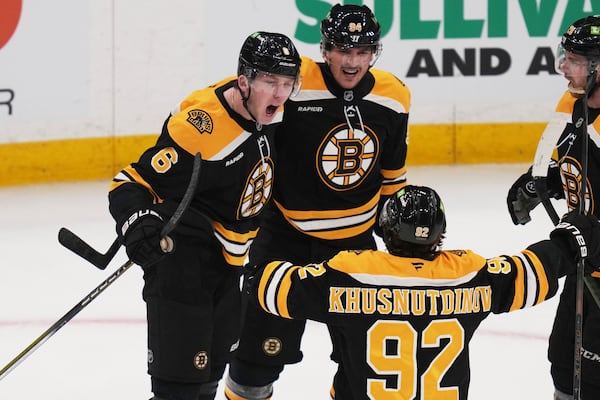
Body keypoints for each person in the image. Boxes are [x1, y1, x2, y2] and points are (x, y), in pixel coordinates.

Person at [245, 185, 600, 400]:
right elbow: (532, 271)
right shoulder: (469, 275)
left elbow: (268, 286)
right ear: (440, 235)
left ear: (385, 229)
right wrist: (575, 237)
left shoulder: (349, 274)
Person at [225, 4, 411, 399]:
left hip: (355, 250)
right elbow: (239, 108)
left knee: (364, 368)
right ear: (325, 48)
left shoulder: (394, 96)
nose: (352, 61)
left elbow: (392, 175)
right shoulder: (292, 82)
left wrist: (399, 247)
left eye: (363, 52)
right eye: (344, 49)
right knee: (250, 369)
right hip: (283, 243)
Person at [107, 32, 301, 400]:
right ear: (244, 81)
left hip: (229, 264)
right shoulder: (200, 128)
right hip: (183, 263)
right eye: (270, 82)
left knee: (208, 381)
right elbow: (128, 183)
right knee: (178, 391)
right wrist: (138, 225)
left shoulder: (272, 108)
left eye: (288, 83)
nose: (280, 94)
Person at [506, 15, 600, 400]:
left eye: (574, 60)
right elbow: (576, 160)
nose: (563, 67)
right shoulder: (576, 102)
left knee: (592, 378)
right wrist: (543, 180)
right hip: (583, 260)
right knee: (563, 360)